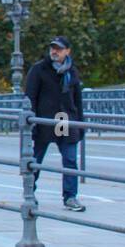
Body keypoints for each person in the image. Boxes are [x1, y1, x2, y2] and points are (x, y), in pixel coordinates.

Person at [25, 36, 86, 212]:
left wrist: (80, 124)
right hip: (44, 120)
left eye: (59, 49)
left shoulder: (72, 71)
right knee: (35, 159)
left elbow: (77, 100)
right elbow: (30, 97)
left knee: (70, 159)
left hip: (65, 119)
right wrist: (31, 122)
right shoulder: (39, 69)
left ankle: (70, 197)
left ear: (67, 51)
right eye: (52, 48)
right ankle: (29, 192)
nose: (54, 51)